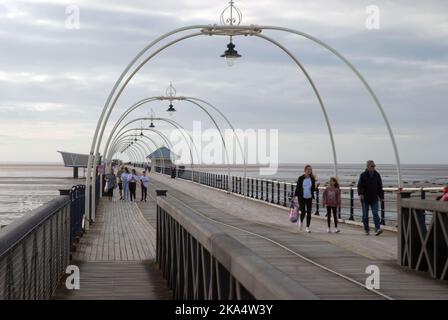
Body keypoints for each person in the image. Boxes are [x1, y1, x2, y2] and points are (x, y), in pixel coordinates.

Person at [357, 160, 384, 236]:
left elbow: (380, 186)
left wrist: (381, 196)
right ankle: (366, 229)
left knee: (375, 213)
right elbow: (359, 186)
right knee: (365, 215)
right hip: (365, 198)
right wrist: (361, 193)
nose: (374, 167)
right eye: (372, 166)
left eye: (374, 166)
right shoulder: (363, 175)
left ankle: (377, 229)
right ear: (368, 166)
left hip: (374, 197)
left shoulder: (377, 175)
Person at [294, 165, 317, 233]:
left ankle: (307, 227)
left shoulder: (312, 179)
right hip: (301, 197)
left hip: (309, 197)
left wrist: (316, 187)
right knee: (303, 211)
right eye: (308, 169)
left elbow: (312, 189)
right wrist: (295, 196)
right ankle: (301, 221)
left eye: (310, 170)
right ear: (305, 170)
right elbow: (298, 187)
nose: (309, 171)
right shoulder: (301, 178)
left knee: (309, 212)